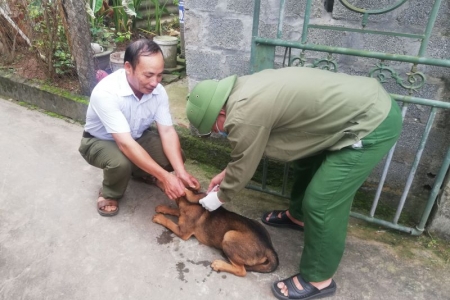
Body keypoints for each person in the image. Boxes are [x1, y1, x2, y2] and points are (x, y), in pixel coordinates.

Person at [185, 67, 402, 300]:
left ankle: (319, 279)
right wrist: (226, 173)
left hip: (371, 123)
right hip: (353, 110)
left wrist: (216, 198)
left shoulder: (242, 114)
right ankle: (298, 217)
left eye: (214, 129)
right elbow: (246, 153)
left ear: (220, 113)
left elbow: (243, 166)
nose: (218, 133)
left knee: (322, 202)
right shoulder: (241, 92)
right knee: (305, 162)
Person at [79, 39, 199, 217]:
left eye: (159, 75)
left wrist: (180, 172)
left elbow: (167, 131)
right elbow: (125, 144)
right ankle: (110, 192)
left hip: (136, 138)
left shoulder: (158, 92)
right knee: (121, 162)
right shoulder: (106, 92)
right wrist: (166, 177)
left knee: (177, 156)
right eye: (148, 75)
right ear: (128, 67)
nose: (155, 82)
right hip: (98, 141)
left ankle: (141, 173)